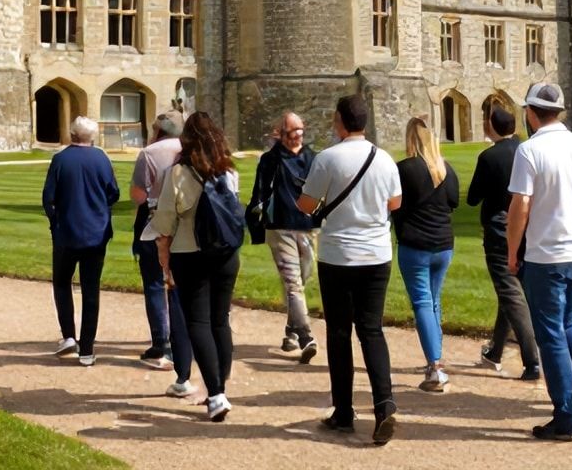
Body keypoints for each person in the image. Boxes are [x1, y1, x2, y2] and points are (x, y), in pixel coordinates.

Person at [507, 82, 572, 441]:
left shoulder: (529, 150)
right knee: (570, 320)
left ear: (531, 113)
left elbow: (520, 205)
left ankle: (566, 417)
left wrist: (512, 251)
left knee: (550, 332)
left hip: (547, 253)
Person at [296, 94, 403, 446]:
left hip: (339, 254)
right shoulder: (385, 158)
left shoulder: (328, 158)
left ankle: (344, 411)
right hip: (377, 253)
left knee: (340, 333)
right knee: (372, 330)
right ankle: (384, 403)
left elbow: (307, 205)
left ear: (340, 121)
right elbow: (395, 203)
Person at [153, 111, 241, 423]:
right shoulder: (227, 171)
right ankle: (220, 384)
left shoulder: (178, 173)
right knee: (220, 320)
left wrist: (163, 257)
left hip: (191, 252)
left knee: (198, 323)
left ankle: (216, 395)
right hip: (226, 253)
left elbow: (164, 220)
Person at [468, 105, 541, 381]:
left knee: (510, 293)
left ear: (492, 127)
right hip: (528, 229)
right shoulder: (526, 149)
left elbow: (473, 197)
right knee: (509, 292)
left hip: (500, 230)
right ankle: (496, 350)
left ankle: (532, 360)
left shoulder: (490, 157)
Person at [42, 116, 120, 366]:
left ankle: (68, 336)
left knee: (63, 283)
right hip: (96, 232)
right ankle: (87, 348)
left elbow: (48, 198)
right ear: (92, 136)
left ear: (72, 134)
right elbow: (113, 193)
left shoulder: (61, 159)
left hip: (67, 232)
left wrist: (56, 222)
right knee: (91, 289)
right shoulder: (102, 158)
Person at [130, 113, 195, 397]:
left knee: (155, 282)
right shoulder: (190, 149)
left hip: (156, 219)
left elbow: (137, 195)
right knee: (181, 285)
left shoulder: (150, 152)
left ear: (158, 131)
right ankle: (186, 343)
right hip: (187, 224)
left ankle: (162, 344)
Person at [393, 116, 460, 392]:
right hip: (443, 245)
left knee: (422, 302)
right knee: (433, 301)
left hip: (416, 244)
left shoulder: (404, 169)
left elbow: (394, 203)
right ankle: (435, 360)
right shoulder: (447, 170)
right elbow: (453, 202)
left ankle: (434, 366)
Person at [248, 110, 318, 361]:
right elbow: (260, 193)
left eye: (300, 131)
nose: (296, 137)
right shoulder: (270, 160)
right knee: (293, 283)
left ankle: (291, 330)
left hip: (309, 227)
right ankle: (307, 336)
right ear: (281, 134)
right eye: (291, 132)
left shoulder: (313, 158)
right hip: (280, 227)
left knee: (302, 280)